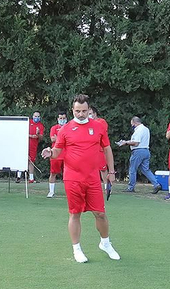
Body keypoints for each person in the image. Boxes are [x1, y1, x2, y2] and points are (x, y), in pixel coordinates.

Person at [51, 94, 121, 263]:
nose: (81, 114)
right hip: (73, 178)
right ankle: (77, 249)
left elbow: (107, 149)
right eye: (77, 111)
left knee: (100, 214)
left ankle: (105, 243)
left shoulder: (98, 127)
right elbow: (56, 151)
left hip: (93, 178)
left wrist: (111, 172)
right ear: (72, 111)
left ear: (89, 110)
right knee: (75, 214)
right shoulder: (66, 129)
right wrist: (49, 153)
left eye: (84, 111)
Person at [119, 116, 159, 192]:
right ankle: (156, 184)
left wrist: (126, 142)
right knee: (145, 169)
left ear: (135, 122)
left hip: (138, 151)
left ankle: (131, 187)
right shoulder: (146, 129)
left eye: (132, 124)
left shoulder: (138, 130)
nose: (132, 126)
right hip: (146, 150)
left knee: (132, 169)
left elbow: (136, 143)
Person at [44, 111, 67, 198]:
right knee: (53, 173)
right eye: (60, 118)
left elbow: (70, 140)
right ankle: (51, 191)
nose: (62, 120)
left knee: (67, 175)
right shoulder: (54, 128)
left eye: (64, 118)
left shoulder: (69, 127)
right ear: (58, 119)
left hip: (66, 155)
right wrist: (62, 140)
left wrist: (59, 139)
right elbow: (53, 139)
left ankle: (69, 192)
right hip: (55, 155)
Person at [26, 111, 44, 183]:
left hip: (33, 146)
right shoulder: (28, 122)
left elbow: (41, 138)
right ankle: (19, 176)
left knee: (31, 161)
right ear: (32, 116)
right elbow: (21, 131)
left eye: (38, 116)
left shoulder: (41, 126)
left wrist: (38, 134)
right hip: (25, 144)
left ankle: (31, 178)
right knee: (23, 159)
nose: (36, 118)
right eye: (35, 116)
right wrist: (30, 136)